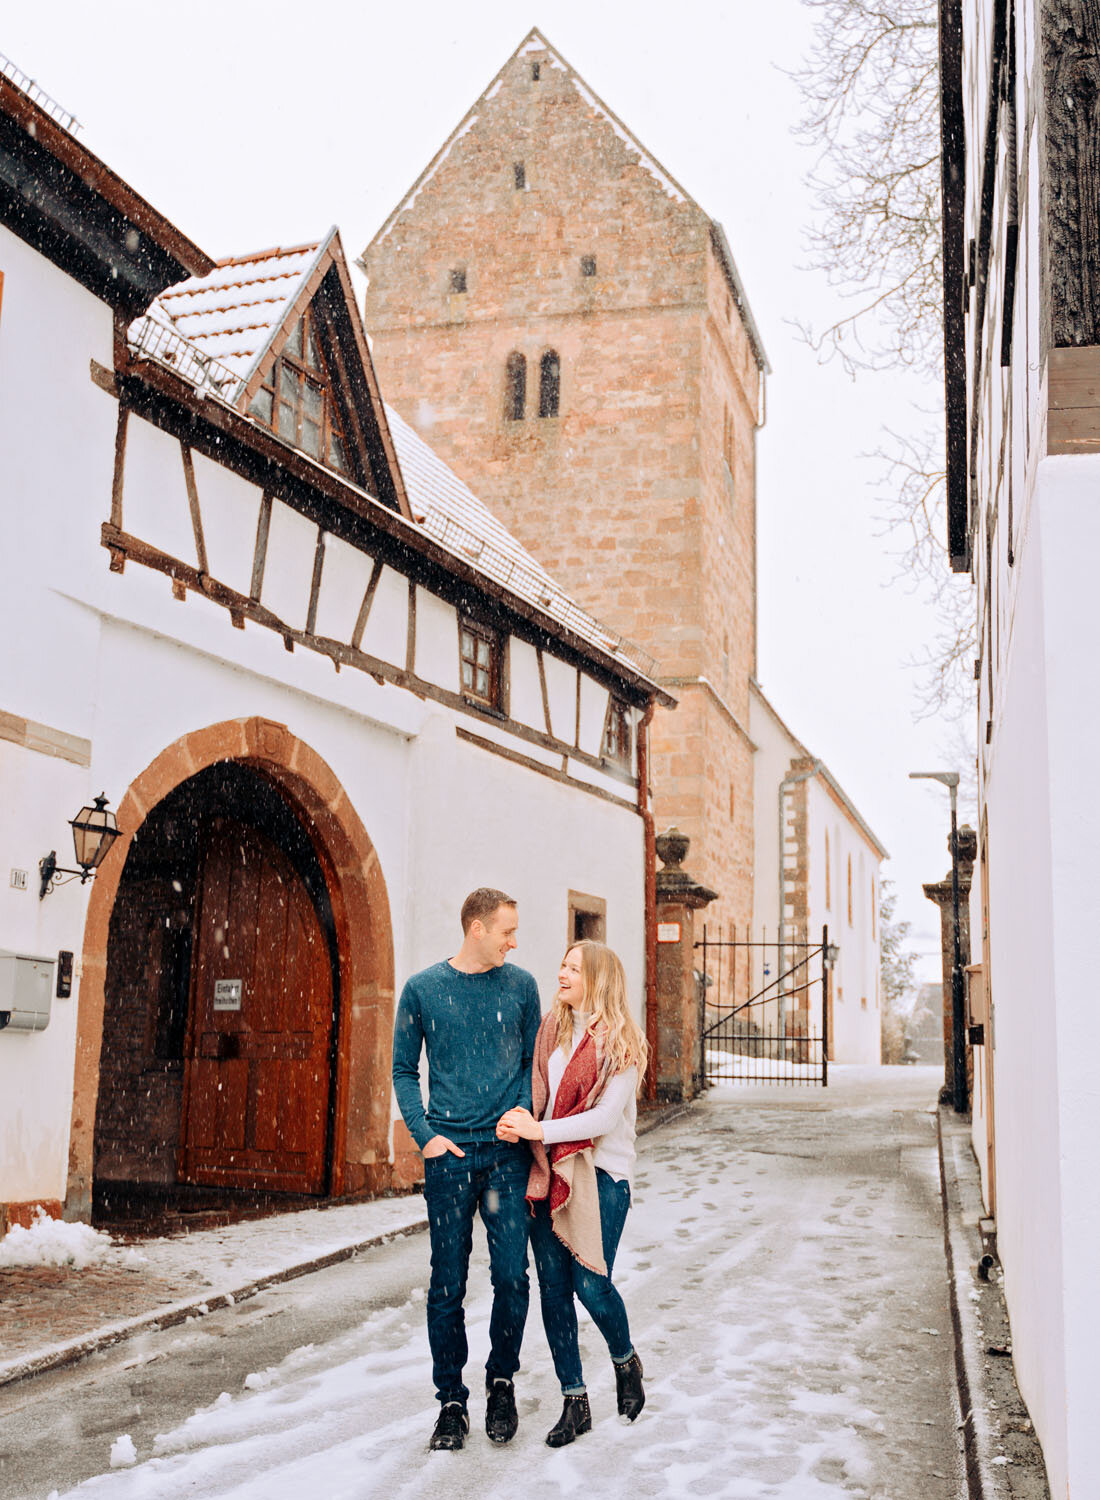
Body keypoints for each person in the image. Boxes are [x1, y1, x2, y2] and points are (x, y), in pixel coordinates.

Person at [392, 888, 542, 1452]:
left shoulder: (522, 987)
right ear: (476, 928)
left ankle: (500, 1378)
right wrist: (425, 1137)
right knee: (447, 1282)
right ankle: (451, 1402)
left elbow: (534, 1063)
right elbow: (404, 1070)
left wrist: (524, 1110)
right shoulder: (424, 990)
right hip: (450, 1158)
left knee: (511, 1276)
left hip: (506, 1157)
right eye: (507, 929)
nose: (514, 940)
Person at [497, 939, 647, 1447]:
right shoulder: (551, 1031)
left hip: (602, 1173)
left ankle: (626, 1362)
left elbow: (605, 1118)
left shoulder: (623, 1043)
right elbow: (534, 1090)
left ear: (598, 980)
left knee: (590, 1285)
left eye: (574, 968)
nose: (561, 972)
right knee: (554, 1290)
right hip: (548, 1171)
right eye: (561, 963)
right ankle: (574, 1402)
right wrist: (521, 1120)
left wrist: (539, 1131)